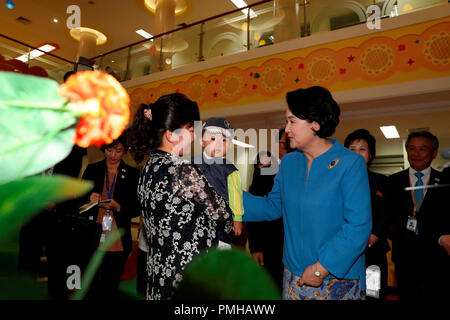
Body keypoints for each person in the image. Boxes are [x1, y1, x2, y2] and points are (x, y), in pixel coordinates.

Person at [242, 86, 372, 300]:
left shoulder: (350, 163)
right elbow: (273, 206)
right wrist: (227, 196)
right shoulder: (289, 163)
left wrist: (322, 268)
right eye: (286, 121)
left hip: (336, 278)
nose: (287, 129)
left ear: (315, 123)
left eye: (292, 121)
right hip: (294, 274)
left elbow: (358, 226)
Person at [127, 93, 233, 300]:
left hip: (159, 273)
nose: (194, 137)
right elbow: (224, 216)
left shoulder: (147, 168)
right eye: (190, 130)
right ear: (171, 135)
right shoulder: (181, 171)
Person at [79, 131, 140, 299]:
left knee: (110, 284)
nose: (113, 155)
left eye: (118, 151)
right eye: (109, 150)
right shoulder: (93, 170)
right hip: (93, 233)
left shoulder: (133, 174)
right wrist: (88, 197)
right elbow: (78, 199)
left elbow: (137, 208)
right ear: (103, 149)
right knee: (89, 282)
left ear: (125, 150)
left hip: (117, 237)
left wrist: (119, 206)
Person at [389, 131, 448, 300]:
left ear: (434, 153)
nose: (416, 153)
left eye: (423, 149)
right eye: (412, 148)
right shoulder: (392, 182)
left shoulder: (445, 182)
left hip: (437, 257)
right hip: (404, 256)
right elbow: (387, 218)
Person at [344, 129, 392, 300]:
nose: (357, 154)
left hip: (373, 250)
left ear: (371, 154)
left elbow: (387, 213)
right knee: (347, 292)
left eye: (362, 149)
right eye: (352, 149)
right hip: (345, 250)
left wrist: (374, 236)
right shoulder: (337, 182)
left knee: (374, 292)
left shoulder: (382, 181)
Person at [247, 129, 293, 293]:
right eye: (284, 143)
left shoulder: (303, 167)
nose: (288, 146)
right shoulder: (265, 169)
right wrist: (256, 247)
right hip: (270, 241)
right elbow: (254, 208)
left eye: (290, 142)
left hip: (296, 241)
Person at [191, 117, 243, 249]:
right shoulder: (190, 164)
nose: (218, 144)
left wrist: (237, 218)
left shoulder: (230, 170)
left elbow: (235, 195)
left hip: (221, 222)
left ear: (230, 145)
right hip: (194, 220)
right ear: (202, 142)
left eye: (224, 141)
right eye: (213, 139)